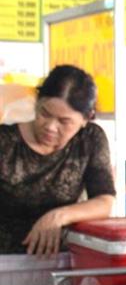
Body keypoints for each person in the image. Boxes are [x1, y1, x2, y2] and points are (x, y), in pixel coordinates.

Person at [0, 65, 115, 255]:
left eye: (64, 121)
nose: (50, 127)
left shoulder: (89, 139)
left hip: (64, 259)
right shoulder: (6, 142)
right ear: (37, 103)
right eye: (45, 113)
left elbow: (105, 201)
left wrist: (58, 216)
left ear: (86, 119)